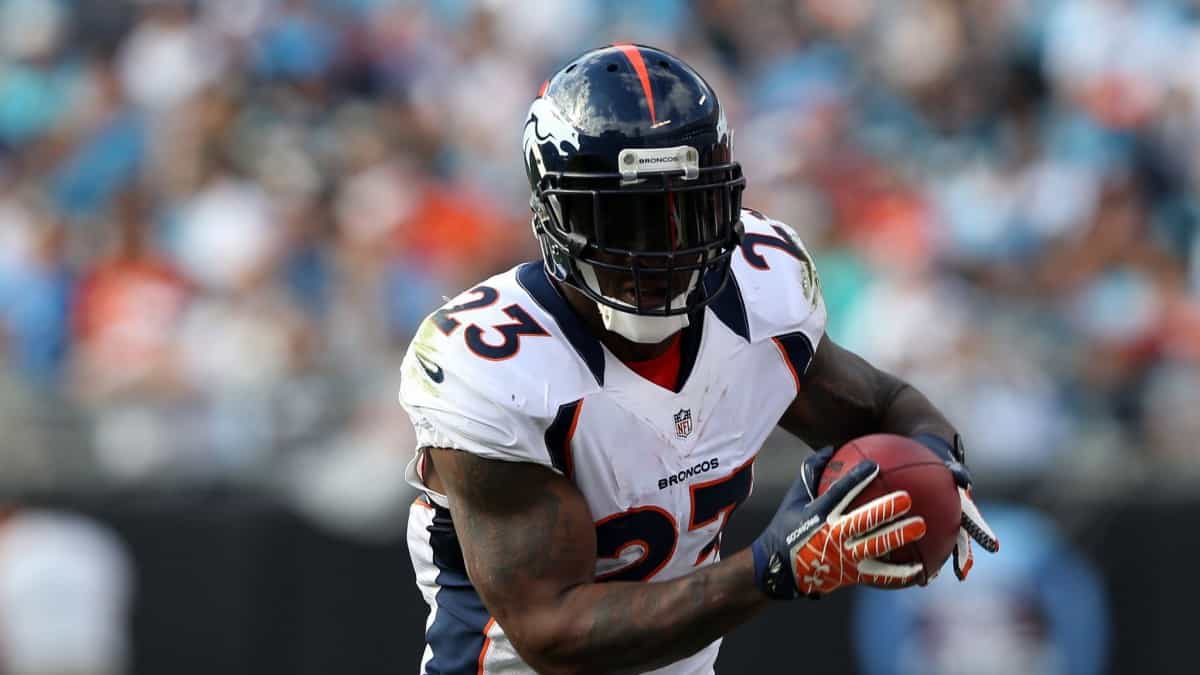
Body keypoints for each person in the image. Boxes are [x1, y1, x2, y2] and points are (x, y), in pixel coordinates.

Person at [399, 44, 999, 675]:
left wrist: (938, 464)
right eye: (623, 218)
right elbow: (554, 633)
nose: (660, 249)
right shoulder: (494, 365)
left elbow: (886, 407)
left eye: (685, 211)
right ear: (554, 215)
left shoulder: (759, 296)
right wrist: (768, 569)